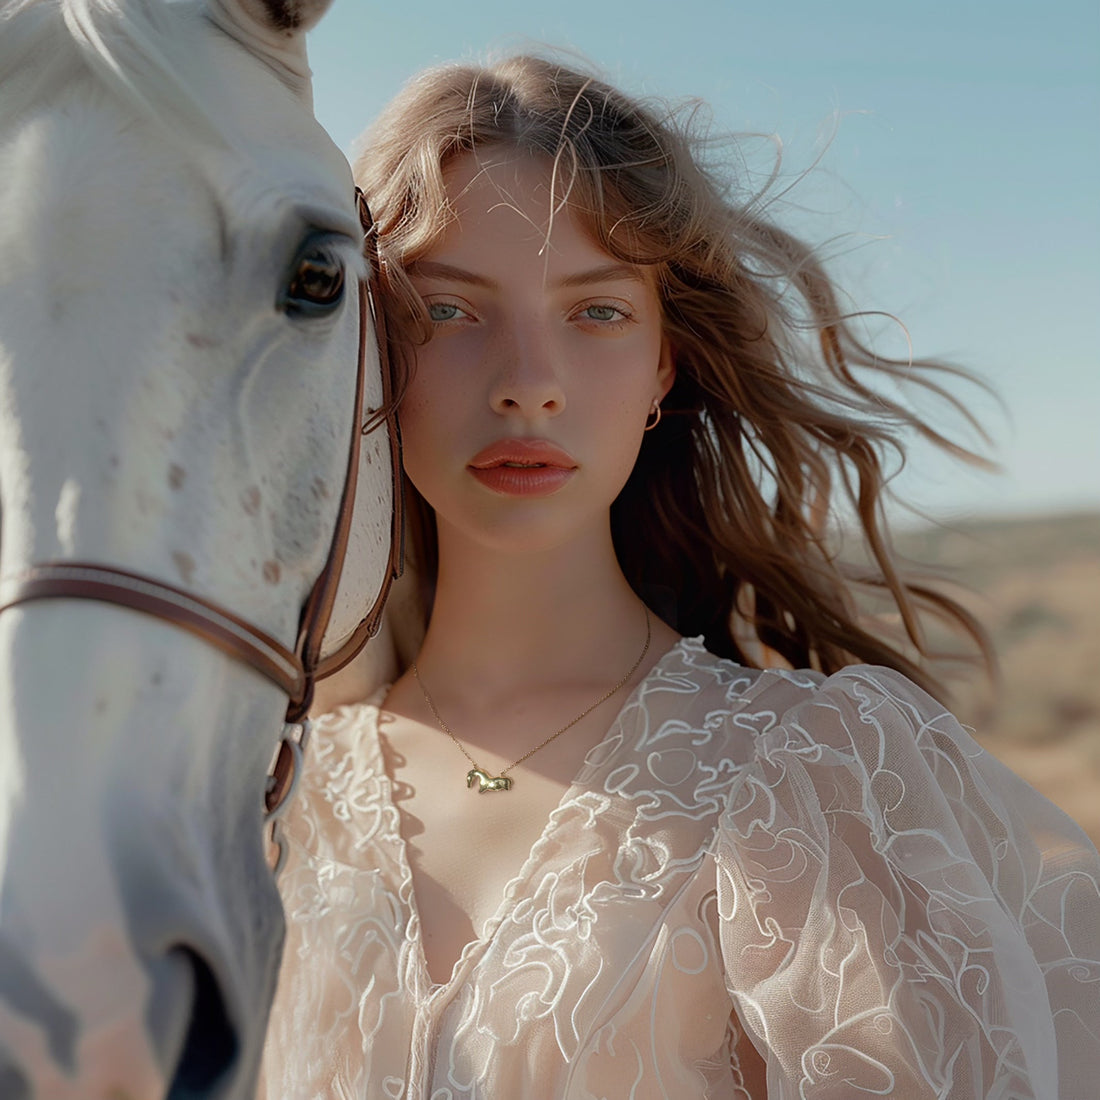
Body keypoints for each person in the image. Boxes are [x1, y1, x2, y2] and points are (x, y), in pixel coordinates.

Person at [260, 56, 1100, 1099]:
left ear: (664, 361)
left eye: (596, 312)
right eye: (447, 311)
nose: (529, 383)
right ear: (367, 351)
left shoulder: (809, 773)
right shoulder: (275, 802)